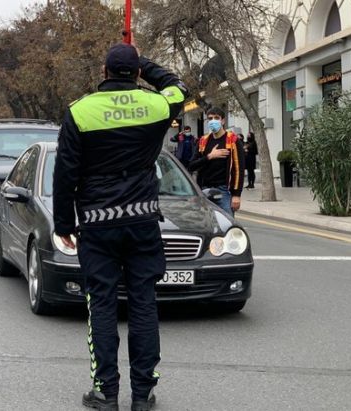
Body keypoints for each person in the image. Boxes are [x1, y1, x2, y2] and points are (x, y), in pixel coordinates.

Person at [53, 43, 187, 411]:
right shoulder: (157, 106)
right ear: (135, 73)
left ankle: (105, 393)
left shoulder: (80, 112)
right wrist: (144, 64)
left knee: (102, 304)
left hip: (97, 225)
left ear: (104, 71)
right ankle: (142, 395)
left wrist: (64, 221)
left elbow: (65, 171)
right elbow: (178, 87)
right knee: (144, 303)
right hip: (143, 220)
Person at [188, 107, 245, 215]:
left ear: (223, 121)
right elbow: (191, 166)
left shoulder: (232, 140)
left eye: (216, 118)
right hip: (204, 191)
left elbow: (238, 169)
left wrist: (236, 195)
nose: (213, 121)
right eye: (210, 118)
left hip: (224, 191)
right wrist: (210, 156)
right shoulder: (203, 141)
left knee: (227, 224)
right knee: (206, 226)